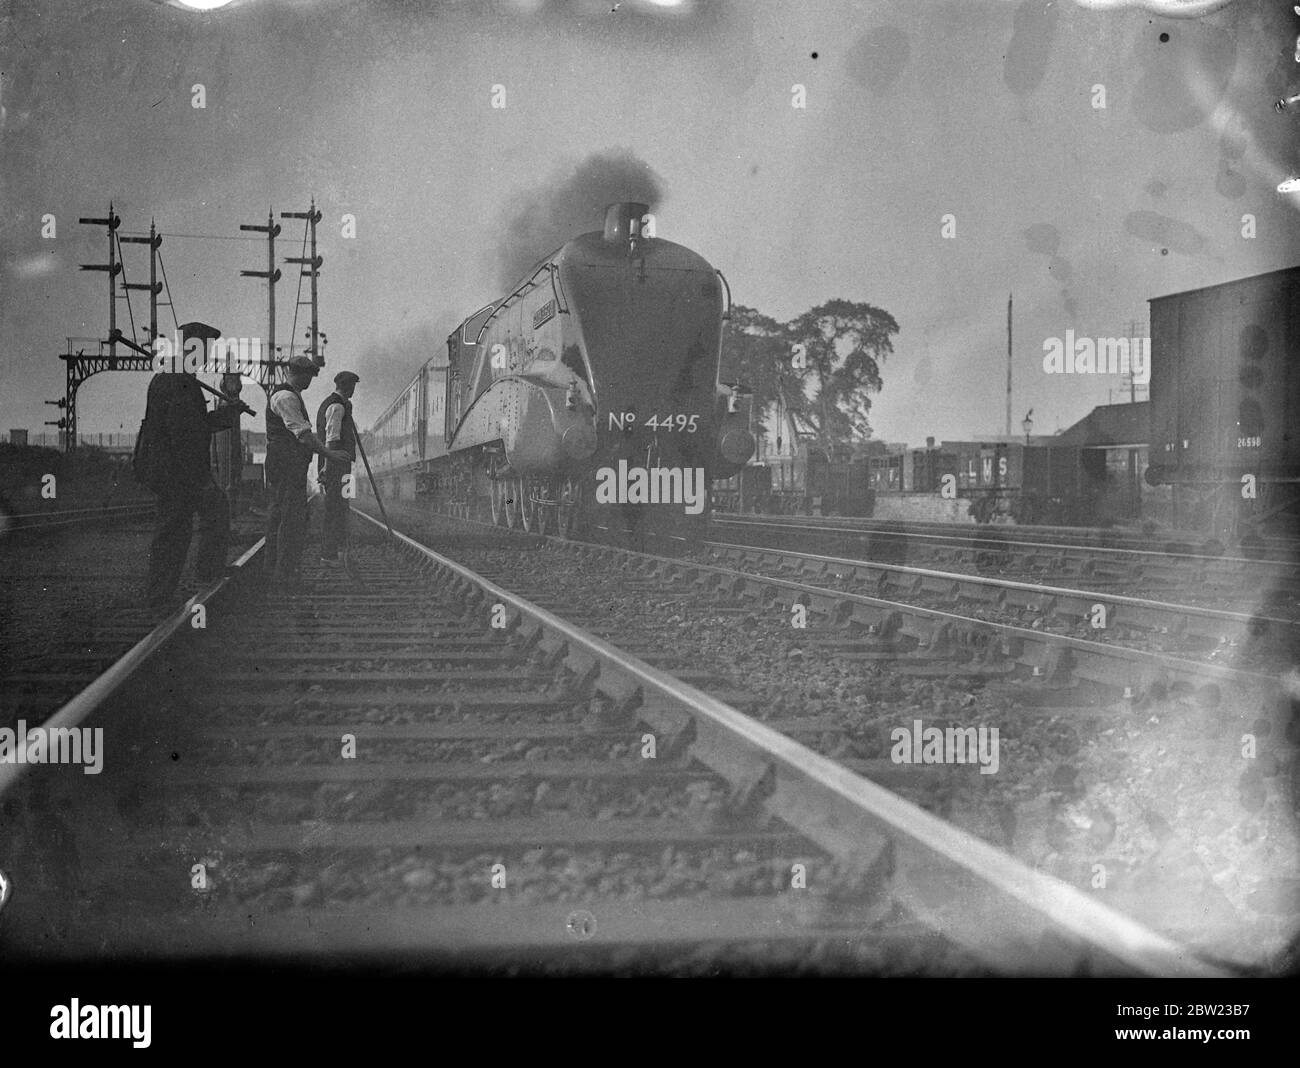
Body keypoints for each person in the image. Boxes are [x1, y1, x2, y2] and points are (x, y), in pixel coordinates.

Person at [142, 323, 239, 611]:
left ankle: (203, 577)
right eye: (204, 348)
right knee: (174, 530)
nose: (207, 355)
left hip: (176, 468)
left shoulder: (178, 377)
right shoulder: (178, 381)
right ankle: (161, 596)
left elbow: (191, 426)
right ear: (190, 347)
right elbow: (185, 434)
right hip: (177, 471)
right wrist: (201, 478)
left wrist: (225, 415)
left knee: (192, 520)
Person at [265, 355, 350, 588]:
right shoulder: (286, 397)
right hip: (286, 468)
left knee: (283, 518)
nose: (310, 382)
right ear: (298, 374)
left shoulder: (292, 396)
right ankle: (284, 575)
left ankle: (277, 572)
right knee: (291, 521)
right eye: (309, 377)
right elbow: (302, 435)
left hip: (287, 467)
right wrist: (330, 455)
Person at [315, 370, 360, 563]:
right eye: (352, 387)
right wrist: (326, 468)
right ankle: (330, 553)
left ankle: (338, 551)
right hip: (336, 465)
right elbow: (331, 439)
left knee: (341, 506)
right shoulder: (337, 407)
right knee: (336, 508)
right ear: (347, 386)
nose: (353, 391)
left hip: (338, 464)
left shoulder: (340, 406)